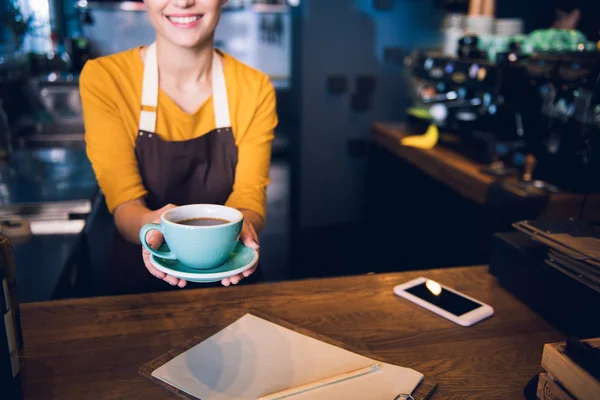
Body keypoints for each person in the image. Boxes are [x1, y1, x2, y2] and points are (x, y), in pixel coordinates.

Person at [79, 0, 278, 294]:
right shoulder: (106, 79)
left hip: (231, 284)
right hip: (139, 293)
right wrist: (160, 227)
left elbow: (250, 198)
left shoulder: (255, 88)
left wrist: (240, 228)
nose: (184, 1)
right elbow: (125, 207)